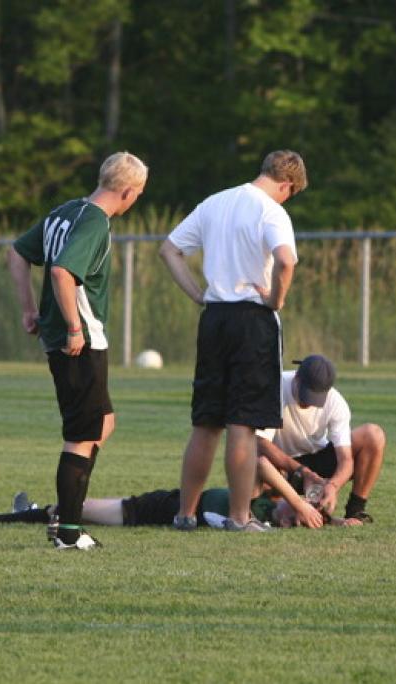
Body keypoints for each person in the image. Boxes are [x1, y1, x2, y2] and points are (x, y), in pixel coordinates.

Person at [159, 150, 307, 532]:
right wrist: (276, 299)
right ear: (287, 184)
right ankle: (240, 518)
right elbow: (287, 260)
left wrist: (198, 294)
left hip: (214, 319)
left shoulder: (215, 203)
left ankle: (185, 513)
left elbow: (170, 250)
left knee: (206, 422)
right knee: (243, 424)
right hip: (252, 321)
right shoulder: (272, 211)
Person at [7, 151, 148, 550]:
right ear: (125, 191)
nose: (136, 199)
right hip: (79, 341)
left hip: (67, 336)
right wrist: (73, 326)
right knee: (81, 435)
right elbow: (61, 271)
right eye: (137, 193)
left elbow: (17, 253)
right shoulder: (95, 223)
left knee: (102, 423)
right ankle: (68, 531)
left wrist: (28, 310)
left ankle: (70, 509)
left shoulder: (66, 211)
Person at [0, 457, 344, 529]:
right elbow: (256, 463)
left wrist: (333, 519)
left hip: (166, 512)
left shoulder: (261, 524)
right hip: (169, 503)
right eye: (296, 515)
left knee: (69, 512)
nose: (293, 519)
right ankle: (3, 515)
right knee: (69, 511)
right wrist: (300, 495)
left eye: (298, 522)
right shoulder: (257, 498)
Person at [257, 354, 386, 523]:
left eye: (315, 397)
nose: (308, 402)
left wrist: (333, 486)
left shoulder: (335, 402)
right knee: (258, 465)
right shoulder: (274, 390)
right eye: (306, 394)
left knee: (373, 435)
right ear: (297, 377)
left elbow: (345, 460)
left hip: (318, 456)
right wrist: (302, 472)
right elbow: (261, 443)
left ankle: (356, 511)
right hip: (282, 464)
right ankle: (281, 509)